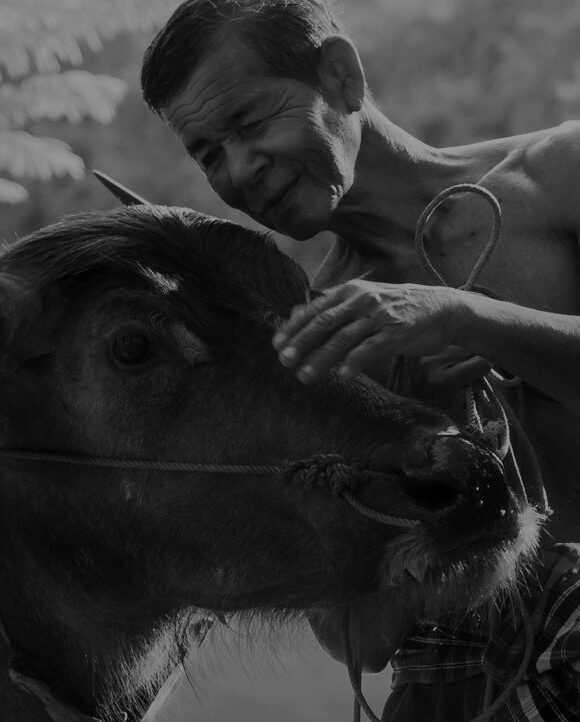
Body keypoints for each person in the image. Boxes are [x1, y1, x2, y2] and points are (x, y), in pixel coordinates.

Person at [140, 1, 580, 719]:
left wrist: (472, 317)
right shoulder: (313, 343)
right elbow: (362, 644)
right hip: (460, 692)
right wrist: (428, 439)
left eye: (250, 123)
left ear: (341, 77)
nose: (241, 169)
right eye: (208, 152)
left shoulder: (560, 174)